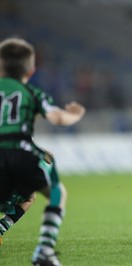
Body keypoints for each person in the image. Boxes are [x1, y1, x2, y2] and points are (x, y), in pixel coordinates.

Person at [0, 37, 85, 266]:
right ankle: (44, 251)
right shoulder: (31, 92)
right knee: (55, 192)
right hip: (19, 154)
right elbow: (57, 117)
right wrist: (75, 115)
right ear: (31, 69)